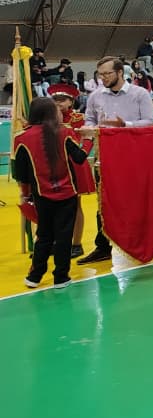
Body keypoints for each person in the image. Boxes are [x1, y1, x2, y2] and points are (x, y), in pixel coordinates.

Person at [78, 57, 153, 263]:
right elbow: (89, 119)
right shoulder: (95, 96)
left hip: (134, 156)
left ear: (120, 72)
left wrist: (125, 125)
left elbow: (150, 122)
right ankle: (103, 246)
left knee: (135, 199)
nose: (103, 78)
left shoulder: (140, 94)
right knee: (103, 201)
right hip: (104, 155)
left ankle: (140, 241)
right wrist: (89, 128)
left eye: (107, 74)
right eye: (100, 74)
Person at [14, 97, 90, 289]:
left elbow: (21, 173)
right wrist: (89, 140)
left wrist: (25, 194)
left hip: (41, 194)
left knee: (44, 235)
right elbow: (80, 158)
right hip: (67, 194)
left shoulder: (21, 137)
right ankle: (61, 277)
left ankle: (34, 276)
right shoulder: (64, 132)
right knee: (64, 237)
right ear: (50, 113)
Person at [48, 84, 95, 259]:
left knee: (75, 206)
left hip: (75, 164)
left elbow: (88, 138)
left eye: (62, 100)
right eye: (55, 100)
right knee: (53, 207)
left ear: (71, 101)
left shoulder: (79, 118)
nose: (58, 103)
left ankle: (76, 243)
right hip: (53, 165)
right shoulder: (47, 119)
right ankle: (57, 242)